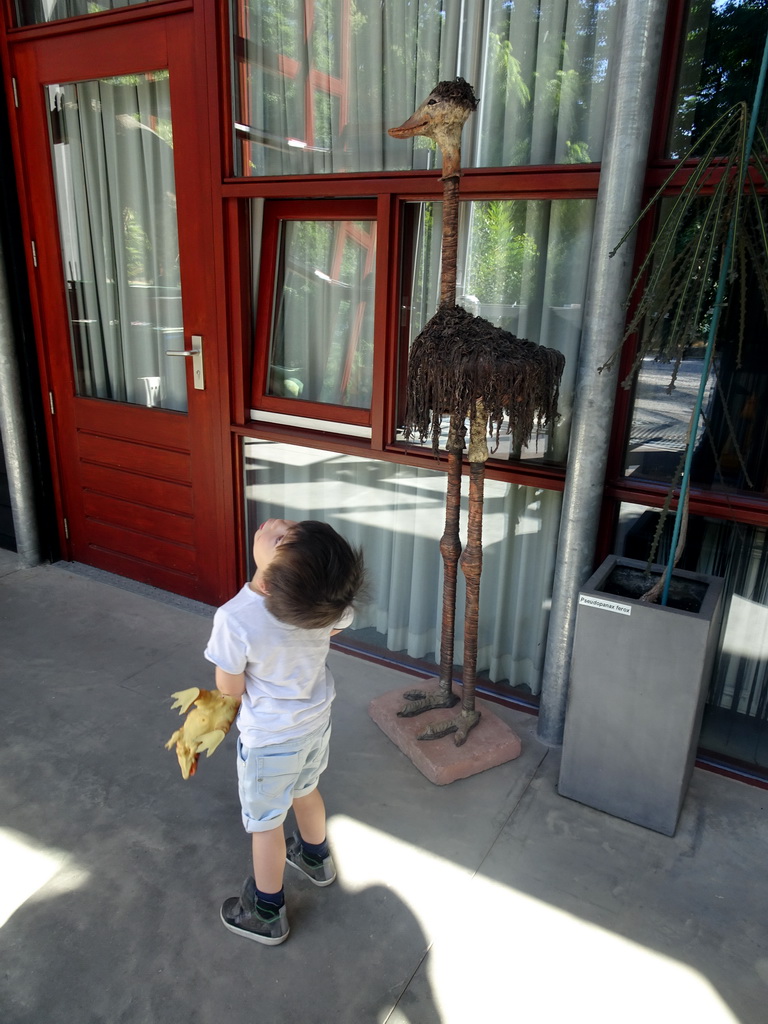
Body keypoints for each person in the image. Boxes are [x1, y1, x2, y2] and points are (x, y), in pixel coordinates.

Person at [204, 518, 366, 945]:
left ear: (275, 580)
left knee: (266, 825)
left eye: (281, 539)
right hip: (314, 725)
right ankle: (315, 859)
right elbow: (338, 623)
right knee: (306, 791)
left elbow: (229, 688)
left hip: (269, 740)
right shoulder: (325, 605)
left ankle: (266, 912)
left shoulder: (237, 618)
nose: (275, 526)